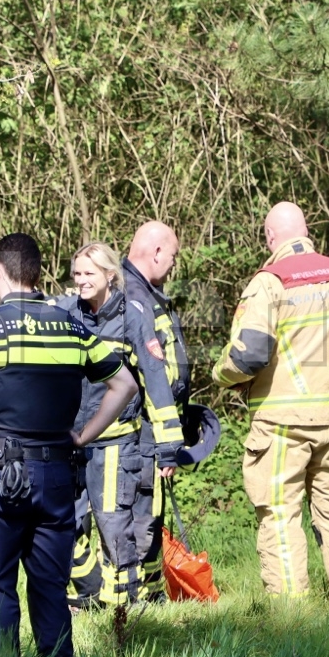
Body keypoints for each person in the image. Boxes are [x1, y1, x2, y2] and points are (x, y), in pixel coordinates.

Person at [0, 233, 137, 657]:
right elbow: (125, 384)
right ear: (38, 274)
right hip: (58, 473)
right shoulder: (72, 325)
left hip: (0, 471)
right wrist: (85, 435)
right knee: (50, 584)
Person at [212, 203, 329, 607]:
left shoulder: (269, 282)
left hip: (281, 425)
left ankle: (293, 614)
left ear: (270, 237)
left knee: (280, 514)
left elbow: (248, 355)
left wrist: (221, 376)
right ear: (307, 231)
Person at [56, 240, 188, 609]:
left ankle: (123, 611)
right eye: (76, 273)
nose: (80, 280)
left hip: (116, 443)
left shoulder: (131, 316)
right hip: (70, 442)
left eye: (88, 273)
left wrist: (167, 450)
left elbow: (155, 382)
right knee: (67, 524)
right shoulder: (68, 312)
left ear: (109, 274)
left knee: (115, 526)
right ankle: (89, 595)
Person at [119, 221, 191, 601]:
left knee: (149, 511)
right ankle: (143, 597)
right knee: (142, 514)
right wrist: (166, 444)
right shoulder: (133, 297)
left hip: (151, 427)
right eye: (173, 256)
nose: (173, 264)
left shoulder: (145, 293)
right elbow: (151, 372)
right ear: (157, 252)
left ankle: (148, 593)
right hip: (140, 429)